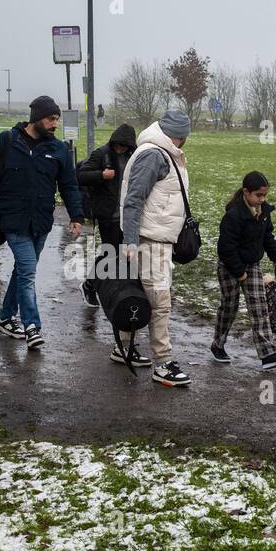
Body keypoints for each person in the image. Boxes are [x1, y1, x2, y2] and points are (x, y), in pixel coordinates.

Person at [0, 95, 83, 350]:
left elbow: (69, 186)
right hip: (12, 219)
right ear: (36, 119)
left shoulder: (59, 150)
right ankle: (32, 325)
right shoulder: (6, 142)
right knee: (28, 269)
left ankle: (5, 317)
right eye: (50, 119)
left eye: (57, 119)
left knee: (23, 270)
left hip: (41, 222)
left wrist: (76, 216)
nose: (55, 124)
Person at [119, 109, 193, 386]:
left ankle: (123, 346)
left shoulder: (158, 152)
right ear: (179, 136)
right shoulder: (155, 155)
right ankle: (163, 363)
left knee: (139, 295)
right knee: (160, 303)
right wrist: (131, 241)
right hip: (151, 242)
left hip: (151, 239)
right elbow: (134, 199)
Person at [76, 123, 150, 363]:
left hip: (126, 217)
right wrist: (101, 175)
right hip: (107, 215)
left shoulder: (132, 156)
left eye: (124, 146)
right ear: (113, 141)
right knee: (111, 255)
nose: (120, 148)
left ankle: (93, 282)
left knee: (116, 256)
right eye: (118, 144)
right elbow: (80, 175)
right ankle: (93, 283)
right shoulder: (101, 154)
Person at [211, 171, 276, 370]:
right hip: (230, 266)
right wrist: (239, 272)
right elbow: (225, 248)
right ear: (246, 192)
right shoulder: (233, 216)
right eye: (258, 195)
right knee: (229, 308)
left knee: (259, 307)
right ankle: (218, 345)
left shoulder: (263, 212)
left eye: (264, 196)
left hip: (253, 264)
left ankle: (268, 354)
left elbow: (267, 236)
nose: (262, 200)